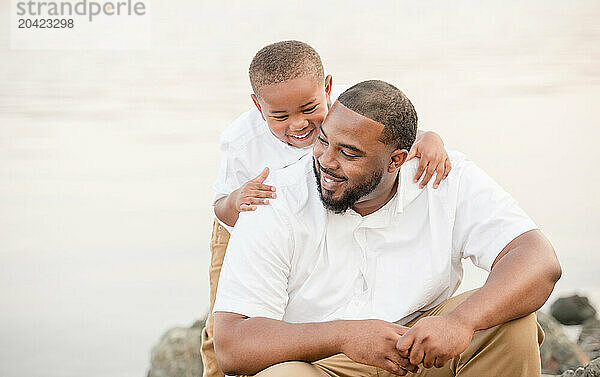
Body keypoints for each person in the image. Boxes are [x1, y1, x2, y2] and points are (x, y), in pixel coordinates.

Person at [212, 80, 562, 377]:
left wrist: (460, 323)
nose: (325, 162)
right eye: (323, 141)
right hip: (321, 364)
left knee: (511, 322)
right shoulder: (271, 200)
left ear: (397, 160)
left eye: (348, 154)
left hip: (421, 354)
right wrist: (343, 336)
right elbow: (232, 343)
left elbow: (537, 259)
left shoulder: (443, 178)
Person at [202, 41, 453, 377]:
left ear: (328, 88)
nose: (299, 124)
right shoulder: (241, 141)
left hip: (316, 212)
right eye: (280, 116)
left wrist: (431, 137)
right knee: (224, 322)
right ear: (257, 107)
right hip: (241, 226)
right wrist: (238, 201)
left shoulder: (347, 107)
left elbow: (389, 134)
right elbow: (220, 207)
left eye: (309, 109)